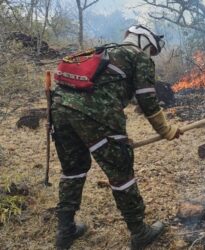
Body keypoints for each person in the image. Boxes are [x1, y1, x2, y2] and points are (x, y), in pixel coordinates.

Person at [51, 25, 181, 249]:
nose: (150, 55)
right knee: (122, 173)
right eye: (151, 50)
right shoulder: (138, 56)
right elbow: (147, 99)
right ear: (144, 42)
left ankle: (65, 231)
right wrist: (166, 130)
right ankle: (140, 233)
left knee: (74, 170)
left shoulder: (105, 51)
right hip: (96, 116)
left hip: (60, 108)